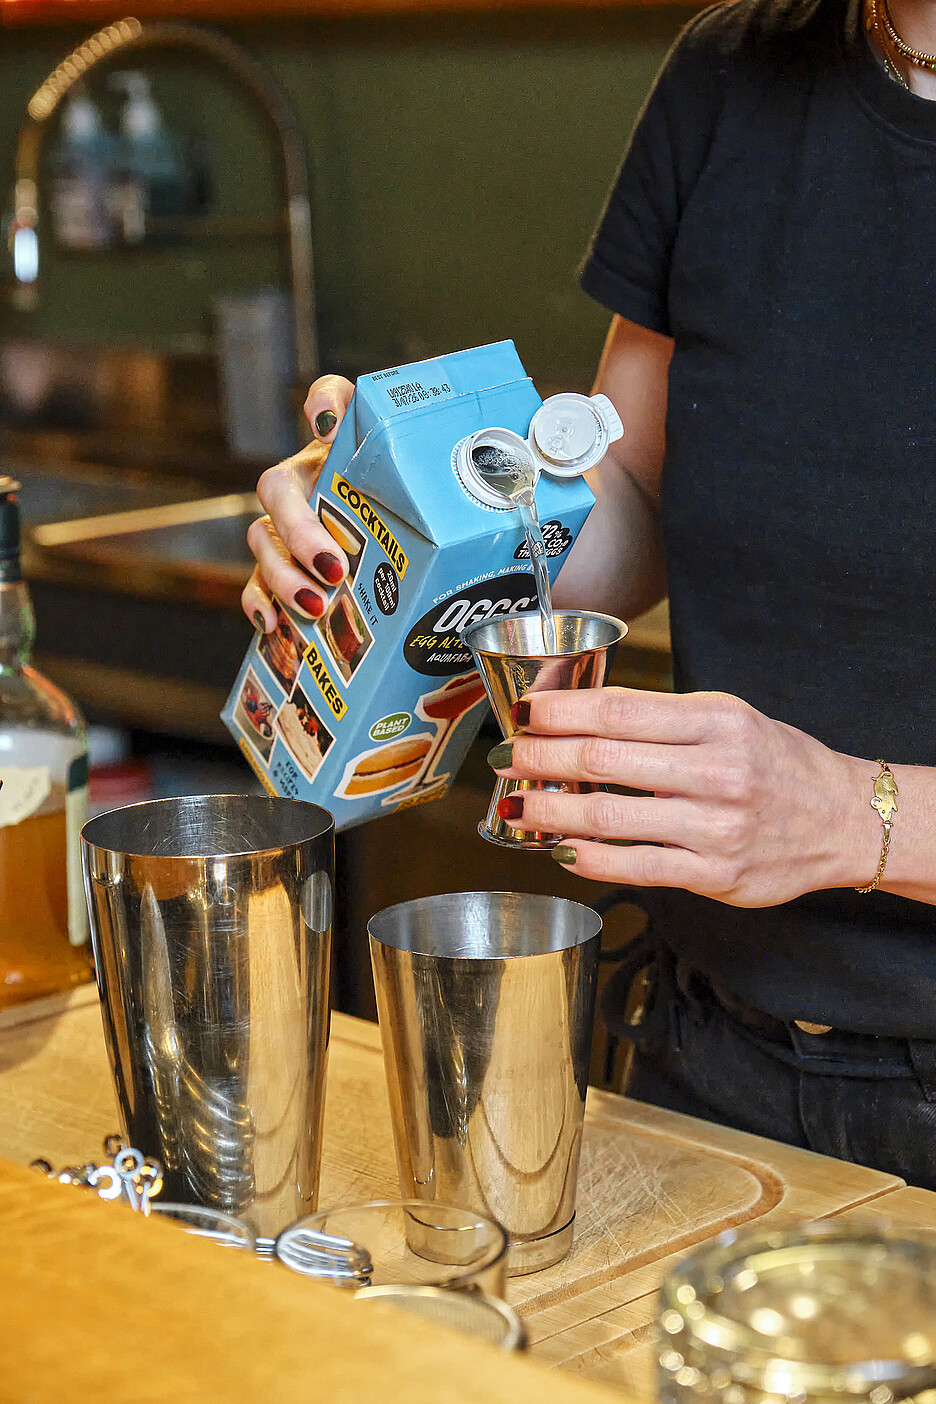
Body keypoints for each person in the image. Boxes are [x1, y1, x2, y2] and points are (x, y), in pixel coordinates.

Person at [244, 0, 936, 1186]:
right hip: (704, 1057)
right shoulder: (731, 71)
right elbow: (637, 494)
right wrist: (410, 517)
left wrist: (848, 816)